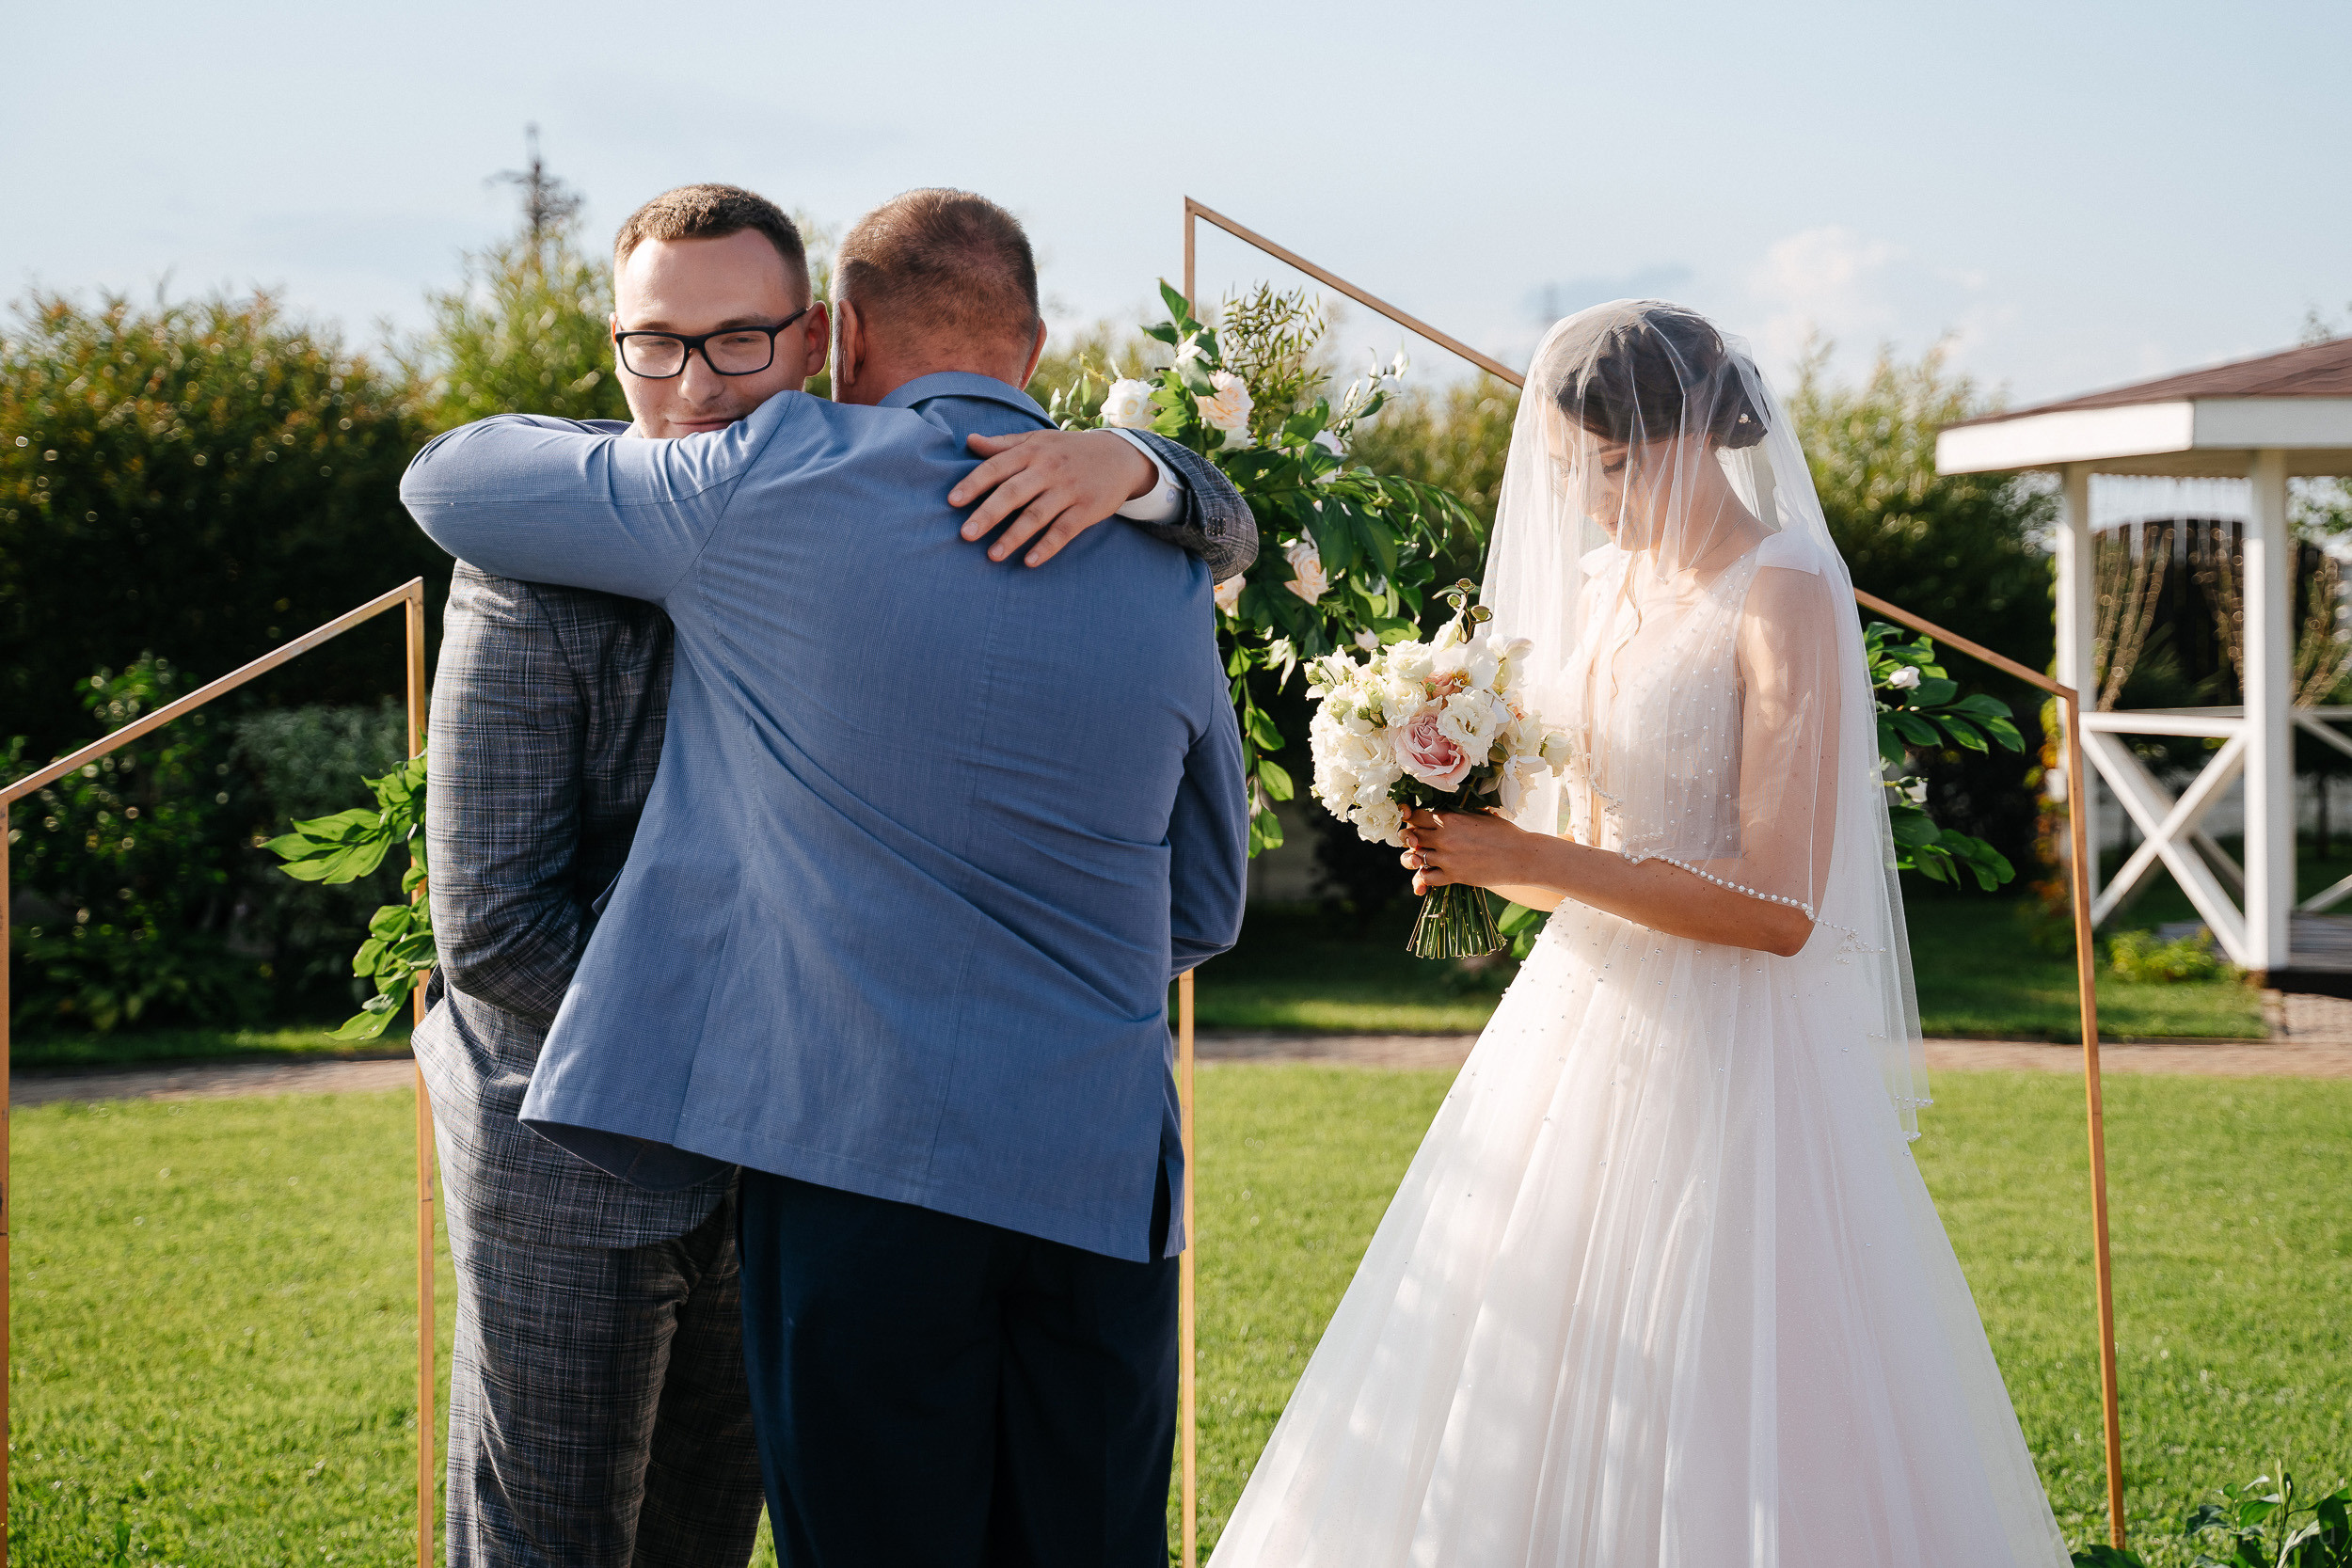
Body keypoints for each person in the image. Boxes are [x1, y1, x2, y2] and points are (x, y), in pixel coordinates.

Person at [403, 187, 1251, 1568]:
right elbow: (1207, 903)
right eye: (655, 345)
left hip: (843, 1155)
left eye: (742, 342)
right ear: (1032, 347)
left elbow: (443, 471)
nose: (697, 380)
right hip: (1075, 1173)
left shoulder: (778, 477)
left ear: (826, 340)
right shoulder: (1150, 560)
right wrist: (1148, 478)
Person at [1205, 301, 2071, 1568]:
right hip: (1578, 1034)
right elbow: (1592, 862)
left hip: (1737, 1064)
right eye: (1568, 477)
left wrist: (1534, 858)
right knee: (1525, 1374)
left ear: (1681, 438)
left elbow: (1782, 909)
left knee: (1725, 1381)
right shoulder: (1606, 587)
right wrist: (1468, 842)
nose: (1588, 508)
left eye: (1602, 470)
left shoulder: (1783, 590)